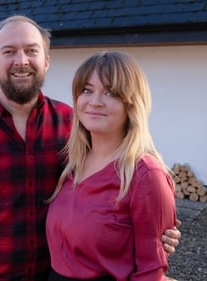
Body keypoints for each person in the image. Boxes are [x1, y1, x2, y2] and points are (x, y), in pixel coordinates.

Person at [0, 16, 180, 281]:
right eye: (9, 51)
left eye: (32, 50)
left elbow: (122, 198)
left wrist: (156, 228)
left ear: (46, 61)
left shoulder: (71, 124)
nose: (21, 61)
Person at [45, 51, 178, 281]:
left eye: (110, 92)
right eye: (87, 90)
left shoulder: (145, 175)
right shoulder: (71, 162)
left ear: (132, 104)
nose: (95, 101)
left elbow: (150, 273)